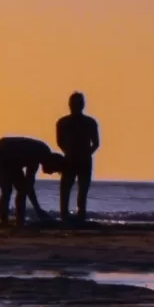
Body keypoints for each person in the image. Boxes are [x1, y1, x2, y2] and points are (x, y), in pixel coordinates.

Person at [0, 137, 63, 225]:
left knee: (20, 190)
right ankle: (7, 221)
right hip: (0, 157)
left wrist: (37, 209)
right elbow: (28, 185)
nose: (51, 173)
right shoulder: (38, 154)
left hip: (12, 160)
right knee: (7, 190)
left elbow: (28, 186)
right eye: (53, 170)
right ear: (52, 162)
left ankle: (18, 221)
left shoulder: (42, 153)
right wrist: (38, 209)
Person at [56, 92, 100, 224]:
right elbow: (59, 141)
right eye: (74, 103)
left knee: (83, 189)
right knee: (66, 188)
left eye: (79, 103)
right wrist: (68, 152)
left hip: (84, 160)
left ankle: (80, 215)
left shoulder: (90, 122)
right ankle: (64, 215)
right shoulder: (63, 122)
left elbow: (96, 143)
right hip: (70, 158)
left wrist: (86, 153)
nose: (76, 106)